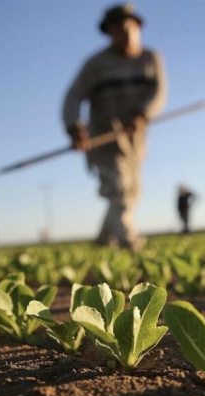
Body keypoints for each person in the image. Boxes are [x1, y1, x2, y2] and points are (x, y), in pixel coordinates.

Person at [62, 3, 167, 251]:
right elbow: (73, 96)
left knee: (131, 192)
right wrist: (74, 126)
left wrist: (143, 113)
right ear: (109, 32)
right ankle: (129, 242)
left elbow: (159, 92)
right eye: (119, 29)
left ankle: (102, 241)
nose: (126, 34)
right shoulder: (95, 64)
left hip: (136, 141)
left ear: (138, 28)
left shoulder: (151, 59)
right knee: (119, 189)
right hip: (104, 139)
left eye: (130, 28)